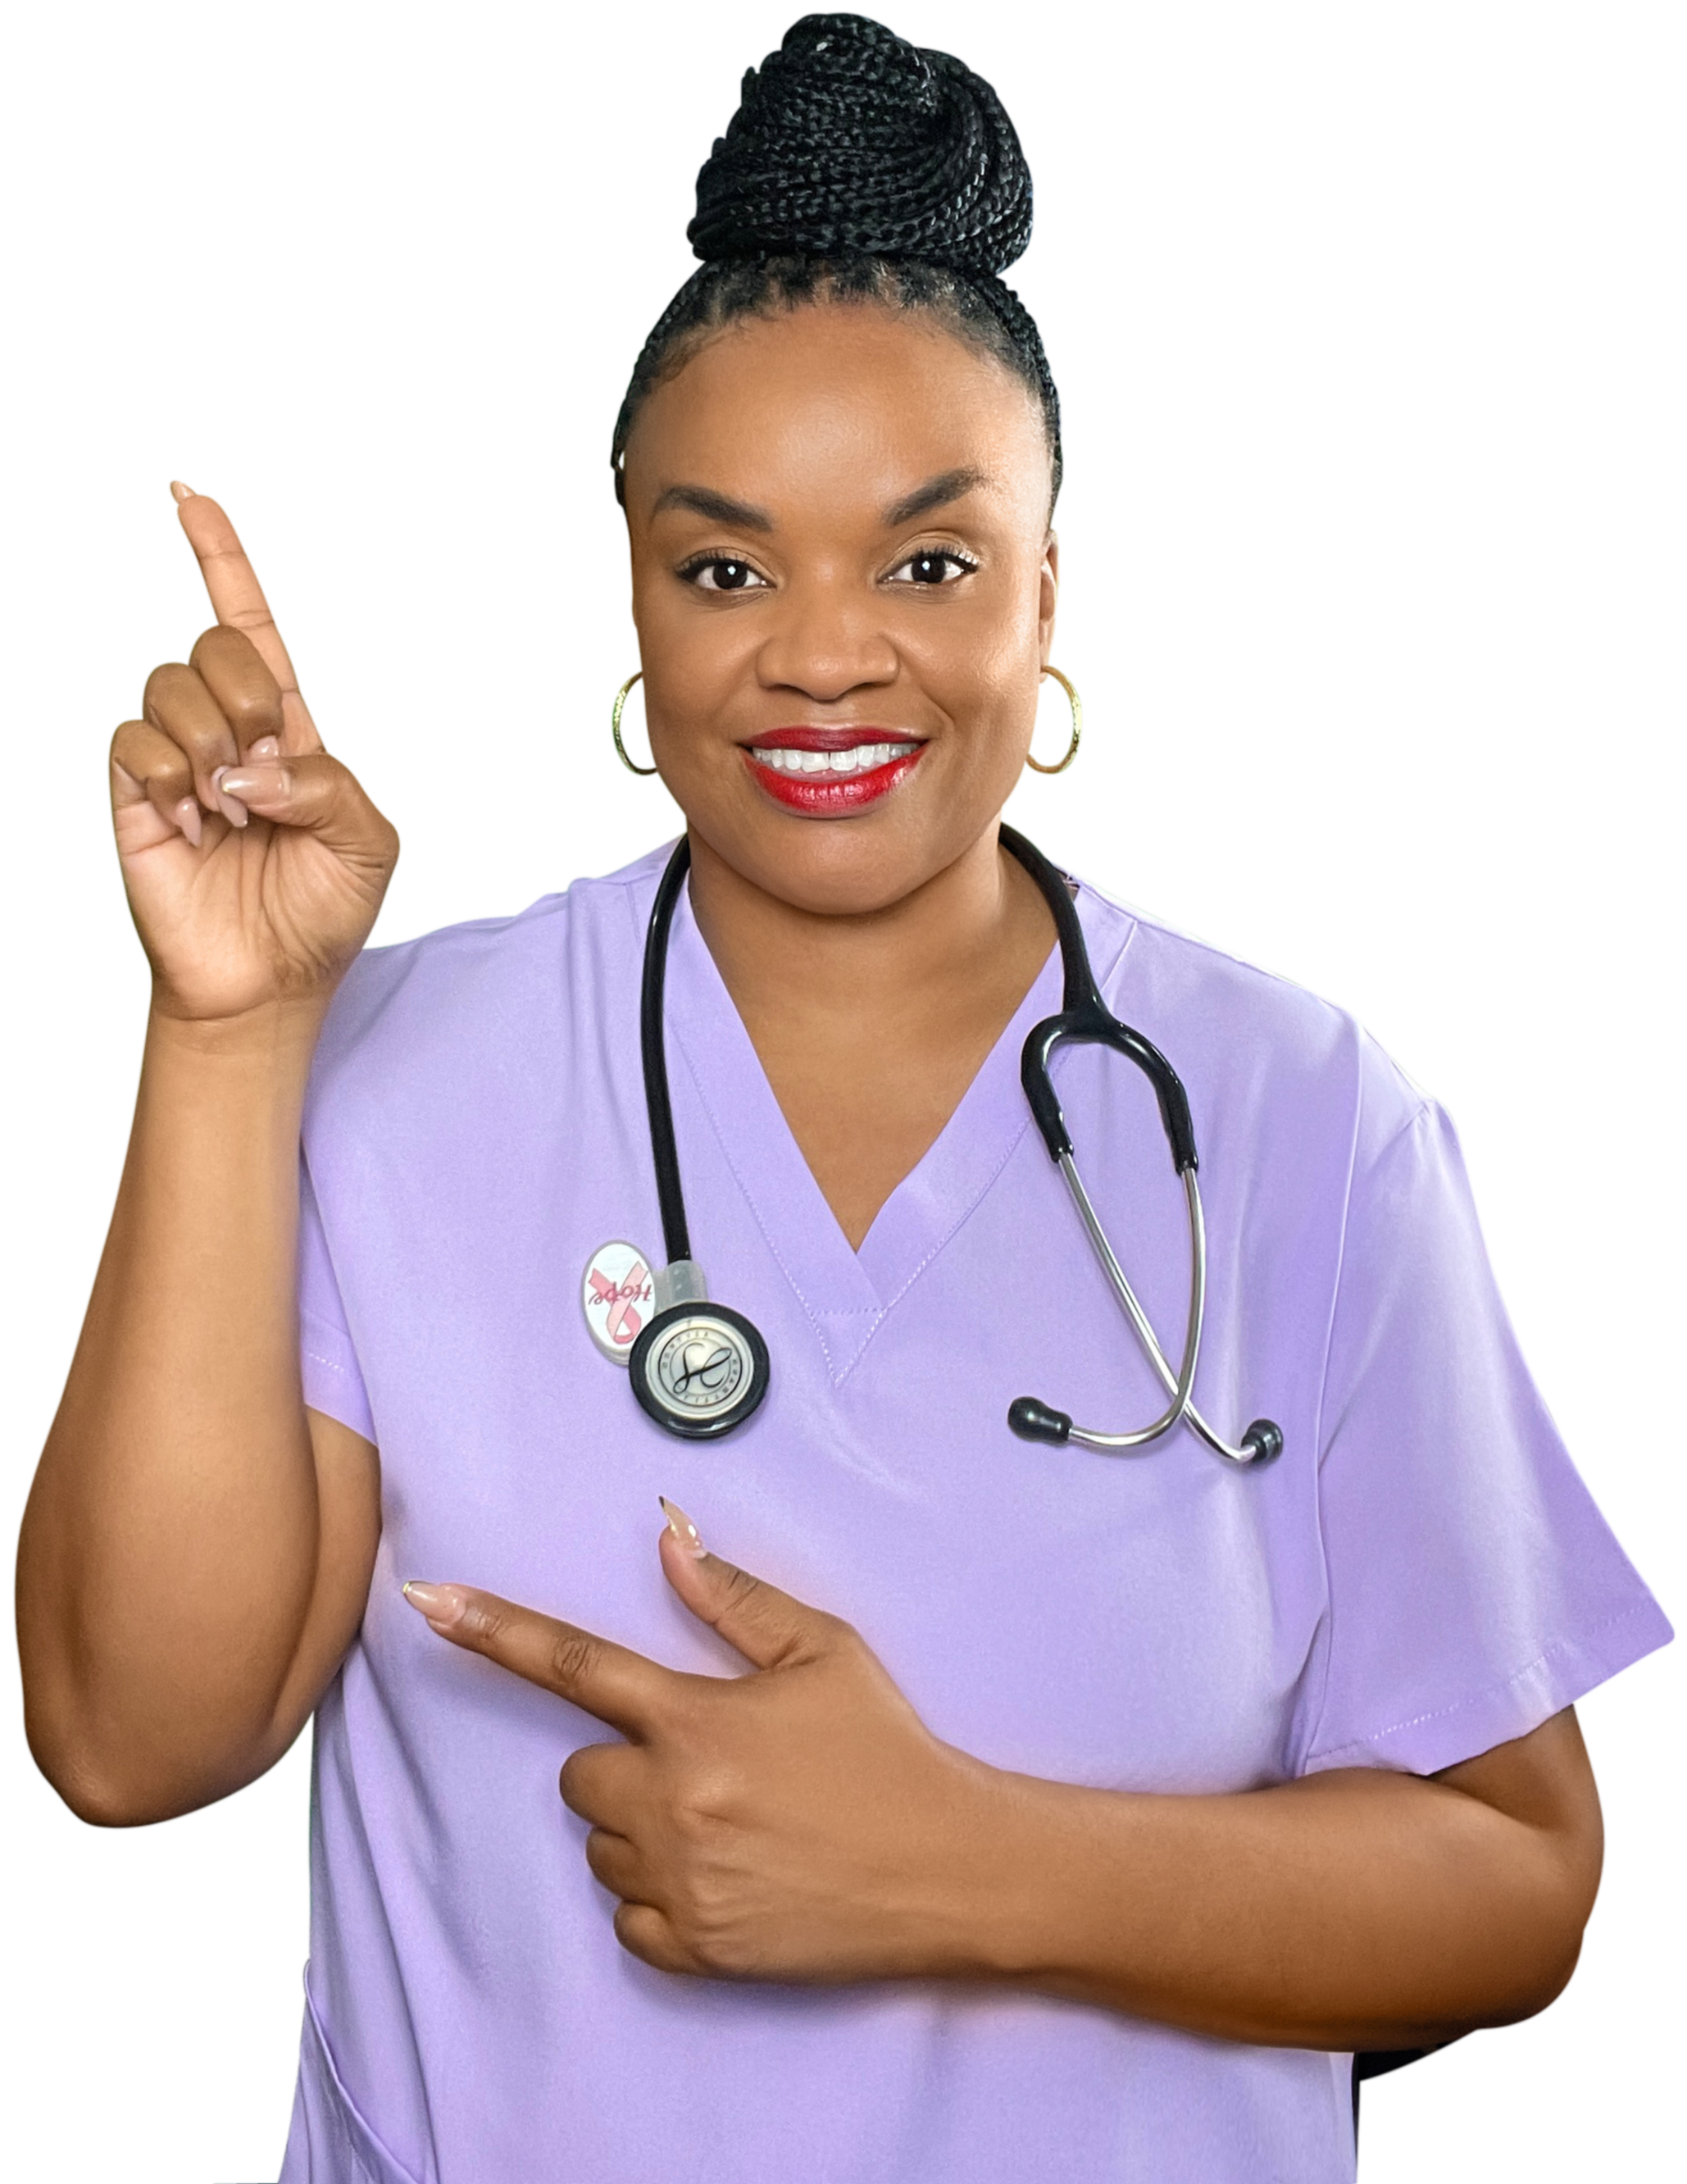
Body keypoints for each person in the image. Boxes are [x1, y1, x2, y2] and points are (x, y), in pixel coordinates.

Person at [17, 12, 1675, 2182]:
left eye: (926, 561)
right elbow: (133, 1742)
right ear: (632, 596)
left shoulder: (1301, 1114)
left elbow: (1520, 1881)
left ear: (1049, 597)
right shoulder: (399, 1066)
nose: (820, 655)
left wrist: (957, 1860)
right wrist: (228, 1031)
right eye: (726, 566)